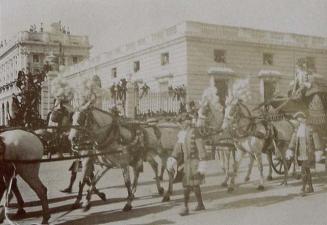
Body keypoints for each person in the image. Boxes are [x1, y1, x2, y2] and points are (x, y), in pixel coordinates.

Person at [167, 113, 207, 216]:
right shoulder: (182, 133)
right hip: (186, 162)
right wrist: (173, 158)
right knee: (194, 185)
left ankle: (185, 207)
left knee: (187, 185)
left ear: (187, 122)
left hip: (194, 162)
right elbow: (178, 148)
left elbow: (201, 147)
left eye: (181, 122)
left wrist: (202, 162)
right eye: (179, 123)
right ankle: (200, 204)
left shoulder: (195, 132)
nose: (180, 125)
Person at [286, 111, 322, 196]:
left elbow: (316, 140)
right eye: (298, 119)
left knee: (303, 170)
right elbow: (293, 141)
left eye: (300, 118)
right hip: (300, 153)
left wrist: (318, 150)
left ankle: (304, 187)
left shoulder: (310, 128)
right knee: (307, 170)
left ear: (304, 119)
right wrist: (290, 149)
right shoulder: (297, 129)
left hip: (308, 153)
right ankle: (311, 187)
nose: (299, 120)